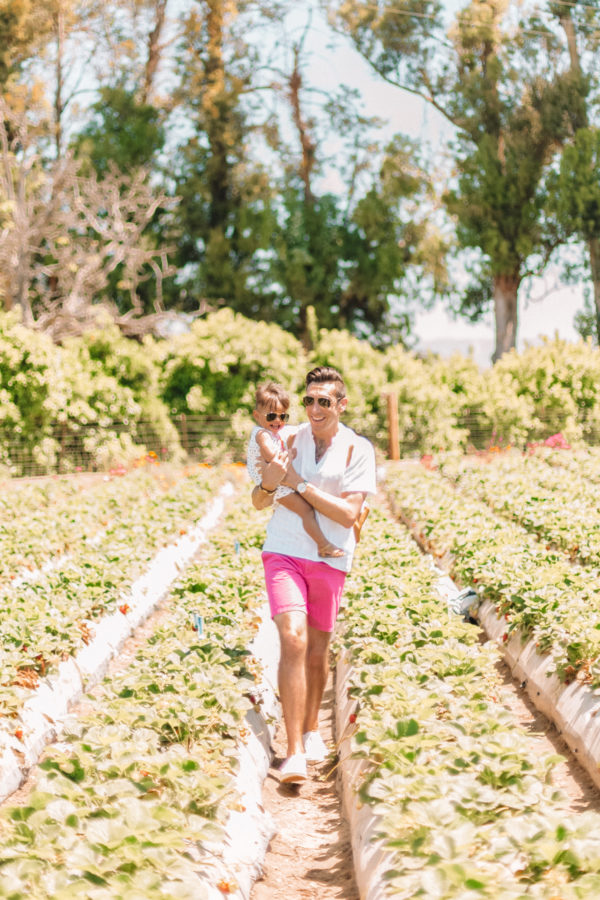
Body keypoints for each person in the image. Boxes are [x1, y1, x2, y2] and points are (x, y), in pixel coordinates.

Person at [251, 366, 377, 784]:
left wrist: (299, 484)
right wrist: (271, 483)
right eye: (308, 401)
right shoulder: (287, 438)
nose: (314, 408)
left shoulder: (357, 449)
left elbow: (347, 512)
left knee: (318, 651)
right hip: (284, 550)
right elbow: (259, 496)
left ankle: (310, 727)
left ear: (341, 404)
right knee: (292, 638)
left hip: (332, 557)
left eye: (324, 401)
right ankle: (294, 753)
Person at [247, 382, 343, 558]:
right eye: (271, 416)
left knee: (308, 504)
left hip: (276, 480)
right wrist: (288, 454)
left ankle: (322, 541)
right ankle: (323, 545)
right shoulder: (262, 434)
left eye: (283, 416)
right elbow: (272, 456)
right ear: (257, 416)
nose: (277, 421)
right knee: (306, 510)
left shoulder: (274, 433)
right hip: (274, 481)